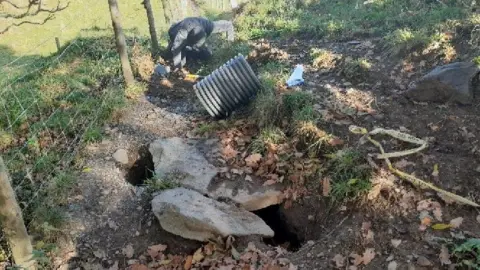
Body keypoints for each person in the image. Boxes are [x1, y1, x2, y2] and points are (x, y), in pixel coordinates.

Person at [166, 17, 234, 71]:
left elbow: (228, 25)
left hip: (198, 27)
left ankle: (191, 57)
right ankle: (178, 59)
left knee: (206, 55)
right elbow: (177, 48)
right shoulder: (179, 34)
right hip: (179, 33)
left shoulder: (208, 25)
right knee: (177, 50)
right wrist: (178, 66)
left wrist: (230, 43)